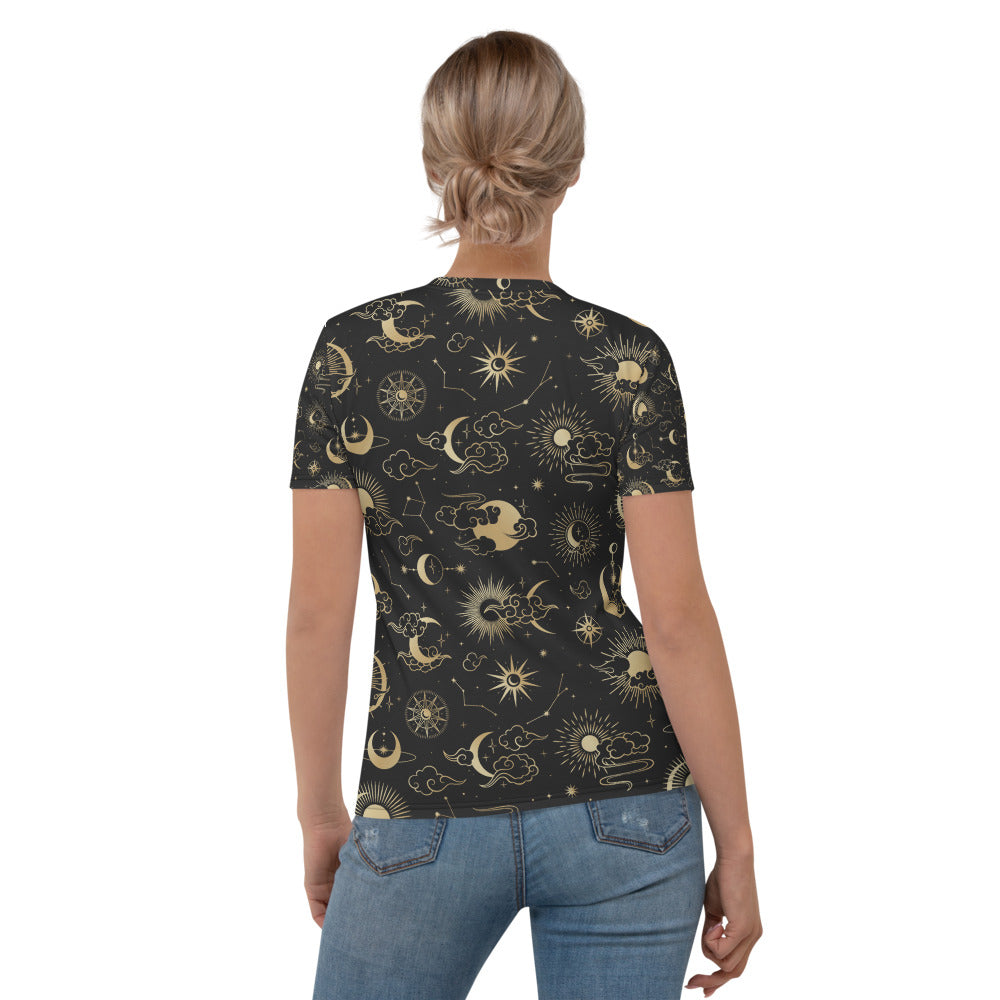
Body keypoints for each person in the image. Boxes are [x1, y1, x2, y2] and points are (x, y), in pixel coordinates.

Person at [286, 29, 761, 1000]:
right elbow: (676, 619)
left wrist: (320, 814)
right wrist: (738, 841)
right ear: (571, 167)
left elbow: (317, 616)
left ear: (436, 164)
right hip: (627, 807)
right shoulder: (625, 358)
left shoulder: (354, 353)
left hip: (421, 797)